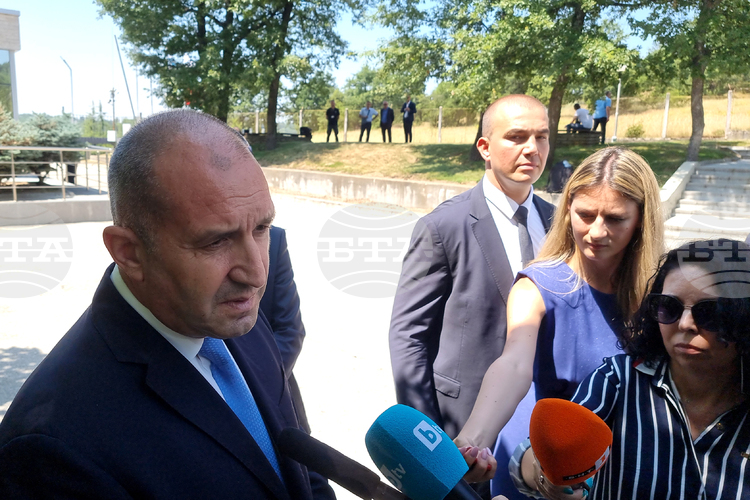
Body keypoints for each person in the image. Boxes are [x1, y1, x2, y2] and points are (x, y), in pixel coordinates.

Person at [0, 109, 335, 500]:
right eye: (215, 241)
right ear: (129, 252)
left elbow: (299, 468)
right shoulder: (52, 448)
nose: (257, 273)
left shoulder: (233, 312)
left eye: (262, 228)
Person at [455, 146, 664, 499]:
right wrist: (472, 440)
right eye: (585, 214)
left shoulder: (663, 296)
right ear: (567, 209)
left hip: (622, 472)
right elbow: (513, 364)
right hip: (535, 465)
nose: (596, 232)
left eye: (614, 219)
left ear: (642, 219)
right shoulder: (537, 285)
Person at [504, 239, 750, 499]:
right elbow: (533, 456)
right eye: (669, 307)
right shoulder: (618, 380)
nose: (685, 324)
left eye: (709, 311)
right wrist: (548, 475)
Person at [390, 94, 555, 443]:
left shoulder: (560, 224)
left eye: (541, 137)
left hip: (543, 421)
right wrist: (427, 439)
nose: (532, 148)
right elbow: (409, 336)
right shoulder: (442, 227)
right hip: (462, 423)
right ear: (485, 148)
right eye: (516, 137)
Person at [261, 225, 310, 432]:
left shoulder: (274, 237)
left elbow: (290, 330)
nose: (256, 275)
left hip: (280, 406)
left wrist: (259, 385)